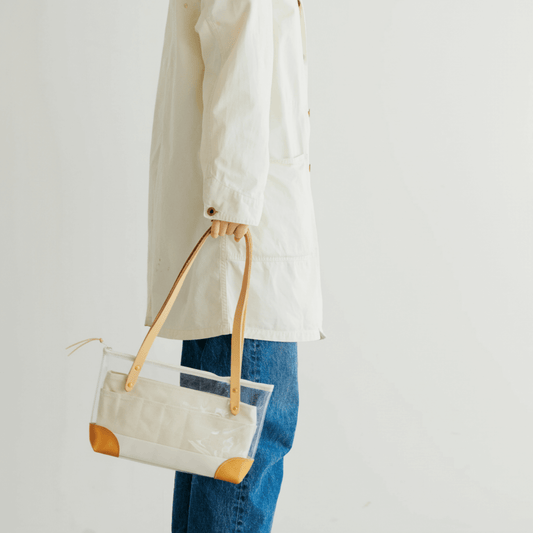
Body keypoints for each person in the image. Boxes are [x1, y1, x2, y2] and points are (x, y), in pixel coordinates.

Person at [144, 0, 326, 531]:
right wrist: (234, 196)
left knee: (209, 445)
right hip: (245, 243)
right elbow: (236, 45)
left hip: (235, 233)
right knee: (247, 441)